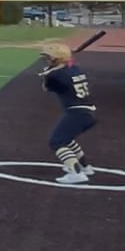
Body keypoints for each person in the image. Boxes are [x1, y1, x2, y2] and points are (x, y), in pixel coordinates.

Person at [38, 43, 98, 184]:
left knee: (56, 141)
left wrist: (47, 74)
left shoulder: (54, 75)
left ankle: (76, 173)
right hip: (87, 113)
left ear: (57, 58)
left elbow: (46, 88)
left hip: (77, 113)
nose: (46, 60)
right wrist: (53, 70)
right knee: (67, 139)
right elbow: (68, 67)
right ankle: (85, 167)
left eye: (49, 57)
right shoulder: (75, 68)